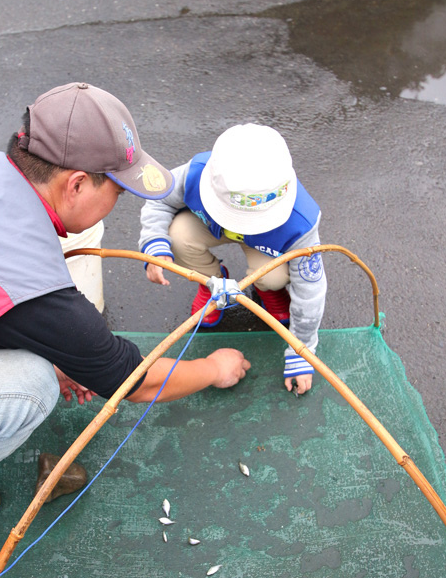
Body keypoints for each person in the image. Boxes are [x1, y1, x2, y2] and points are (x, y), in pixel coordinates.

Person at [0, 83, 250, 530]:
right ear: (75, 185)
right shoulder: (28, 285)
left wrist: (53, 344)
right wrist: (213, 367)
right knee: (30, 387)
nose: (117, 204)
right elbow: (135, 381)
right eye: (118, 192)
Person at [139, 123, 326, 394]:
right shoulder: (196, 173)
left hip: (267, 245)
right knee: (177, 236)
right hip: (209, 225)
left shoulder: (301, 221)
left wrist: (302, 351)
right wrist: (155, 246)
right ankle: (212, 281)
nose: (244, 225)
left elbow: (310, 290)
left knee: (274, 275)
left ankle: (266, 288)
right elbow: (159, 199)